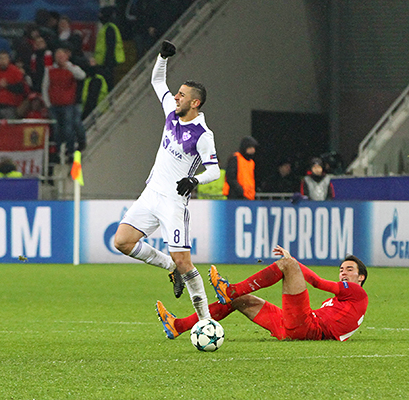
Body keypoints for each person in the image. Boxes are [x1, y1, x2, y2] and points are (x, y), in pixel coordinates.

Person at [113, 41, 220, 321]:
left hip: (173, 202)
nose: (175, 97)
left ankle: (206, 320)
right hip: (151, 194)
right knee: (122, 241)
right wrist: (162, 57)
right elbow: (157, 81)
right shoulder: (171, 113)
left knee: (184, 261)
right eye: (177, 93)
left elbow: (214, 171)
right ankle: (170, 269)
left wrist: (194, 180)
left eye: (182, 95)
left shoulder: (203, 134)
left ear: (195, 103)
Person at [157, 245, 368, 342]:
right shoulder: (341, 302)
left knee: (286, 265)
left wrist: (292, 262)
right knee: (240, 301)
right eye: (341, 269)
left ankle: (230, 290)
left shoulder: (357, 292)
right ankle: (178, 326)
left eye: (349, 269)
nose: (343, 272)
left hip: (305, 328)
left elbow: (317, 282)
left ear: (361, 278)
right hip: (291, 328)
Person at [42, 46, 86, 158]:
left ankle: (70, 150)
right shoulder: (49, 70)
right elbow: (45, 86)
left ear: (67, 56)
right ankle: (58, 151)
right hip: (54, 105)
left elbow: (82, 76)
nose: (60, 58)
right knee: (56, 129)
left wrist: (68, 67)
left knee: (68, 129)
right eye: (58, 56)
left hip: (68, 104)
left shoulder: (72, 68)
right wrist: (48, 104)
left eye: (62, 56)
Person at [94, 6, 125, 90]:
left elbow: (110, 47)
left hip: (107, 62)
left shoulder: (109, 28)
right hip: (105, 62)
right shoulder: (108, 27)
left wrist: (108, 63)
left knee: (108, 82)